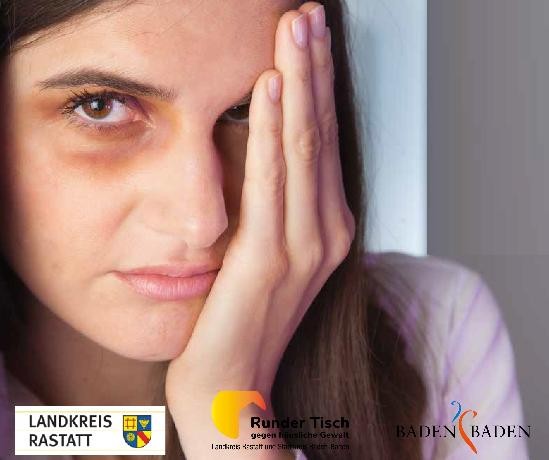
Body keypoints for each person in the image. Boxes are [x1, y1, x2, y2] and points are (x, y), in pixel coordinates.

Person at [0, 1, 528, 459]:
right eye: (100, 107)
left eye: (246, 110)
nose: (202, 220)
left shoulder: (436, 329)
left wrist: (227, 415)